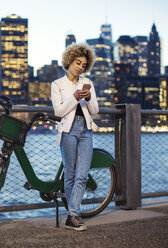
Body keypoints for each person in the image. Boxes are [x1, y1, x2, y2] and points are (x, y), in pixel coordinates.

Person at [51, 43, 99, 231]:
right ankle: (73, 216)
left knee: (82, 175)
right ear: (69, 61)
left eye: (84, 65)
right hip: (68, 130)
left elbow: (95, 110)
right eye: (78, 63)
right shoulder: (57, 85)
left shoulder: (88, 83)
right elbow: (59, 111)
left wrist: (87, 98)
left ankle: (72, 215)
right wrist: (75, 97)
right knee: (70, 174)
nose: (81, 67)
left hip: (86, 130)